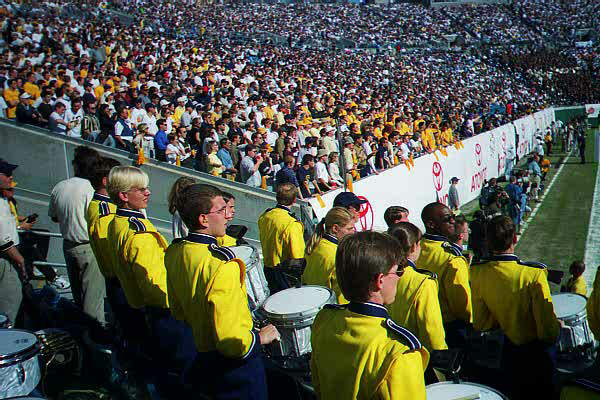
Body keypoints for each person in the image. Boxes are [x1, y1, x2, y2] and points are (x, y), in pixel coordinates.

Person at [165, 183, 280, 399]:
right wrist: (260, 338)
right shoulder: (222, 265)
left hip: (201, 352)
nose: (227, 216)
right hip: (235, 368)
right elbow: (232, 341)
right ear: (203, 219)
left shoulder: (175, 252)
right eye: (220, 210)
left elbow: (178, 311)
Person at [107, 166, 196, 392]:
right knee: (183, 373)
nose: (148, 193)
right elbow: (157, 288)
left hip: (142, 307)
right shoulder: (139, 235)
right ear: (123, 195)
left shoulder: (117, 222)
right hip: (165, 312)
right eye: (141, 189)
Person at [310, 231, 429, 400]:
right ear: (380, 280)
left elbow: (318, 385)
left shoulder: (324, 319)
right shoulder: (397, 354)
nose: (399, 277)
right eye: (398, 271)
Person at [470, 215, 560, 400]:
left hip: (508, 351)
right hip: (537, 354)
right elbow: (547, 332)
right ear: (515, 239)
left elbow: (481, 323)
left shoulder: (477, 272)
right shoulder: (533, 274)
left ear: (487, 241)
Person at [49, 146, 106, 324]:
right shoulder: (91, 190)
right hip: (89, 248)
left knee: (78, 296)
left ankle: (81, 334)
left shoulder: (60, 186)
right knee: (92, 302)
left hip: (68, 245)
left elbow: (54, 217)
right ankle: (94, 340)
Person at [415, 202, 471, 348]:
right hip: (450, 328)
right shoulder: (451, 258)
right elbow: (462, 307)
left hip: (419, 323)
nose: (453, 221)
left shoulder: (416, 247)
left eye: (453, 216)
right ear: (431, 224)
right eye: (447, 219)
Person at [387, 222, 447, 352]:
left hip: (386, 348)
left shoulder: (380, 274)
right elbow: (432, 331)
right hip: (414, 352)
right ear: (414, 247)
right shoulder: (423, 282)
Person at [258, 183, 305, 293]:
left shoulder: (265, 216)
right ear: (294, 200)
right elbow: (298, 257)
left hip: (268, 269)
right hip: (284, 274)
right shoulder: (292, 223)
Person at [302, 207, 355, 303]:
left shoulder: (316, 245)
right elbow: (343, 295)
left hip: (312, 300)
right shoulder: (338, 255)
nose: (353, 232)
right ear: (335, 228)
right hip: (332, 307)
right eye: (349, 229)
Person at [0, 160, 26, 323]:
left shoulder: (3, 198)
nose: (11, 178)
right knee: (10, 308)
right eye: (7, 174)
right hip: (5, 257)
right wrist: (20, 260)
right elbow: (3, 238)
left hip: (8, 255)